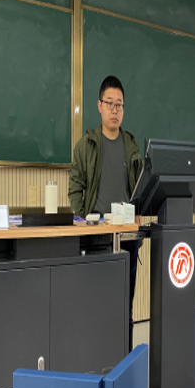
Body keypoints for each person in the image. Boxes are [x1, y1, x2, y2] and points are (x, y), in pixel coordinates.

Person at [69, 76, 145, 352]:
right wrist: (84, 221)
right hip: (96, 239)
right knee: (95, 304)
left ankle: (124, 359)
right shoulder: (86, 145)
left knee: (125, 305)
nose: (115, 110)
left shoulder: (132, 145)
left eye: (119, 105)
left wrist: (140, 213)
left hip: (127, 237)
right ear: (99, 106)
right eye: (110, 103)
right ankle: (95, 358)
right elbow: (75, 187)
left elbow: (140, 186)